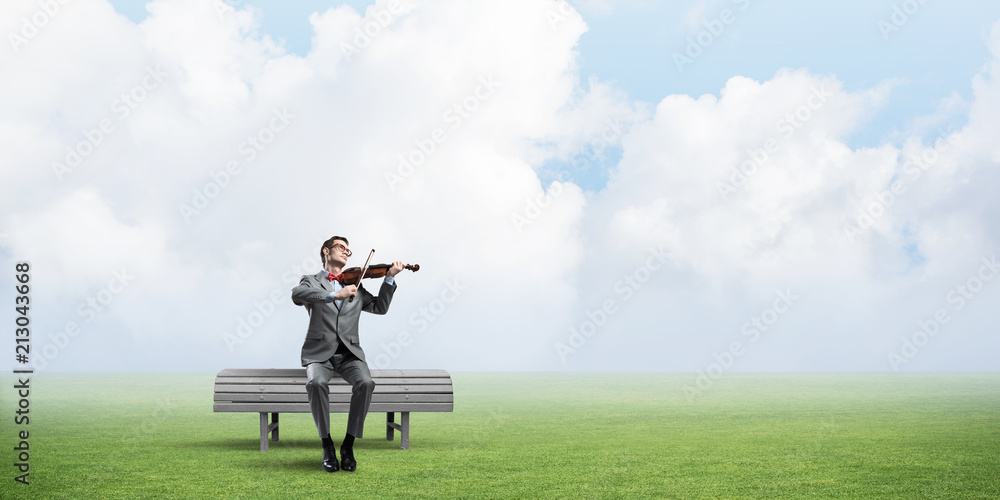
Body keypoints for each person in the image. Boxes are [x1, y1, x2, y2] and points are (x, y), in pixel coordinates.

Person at [291, 235, 403, 472]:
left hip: (350, 353)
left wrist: (389, 279)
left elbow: (380, 308)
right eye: (341, 247)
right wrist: (333, 295)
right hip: (319, 353)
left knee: (366, 382)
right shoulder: (311, 281)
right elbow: (297, 295)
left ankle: (348, 445)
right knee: (316, 383)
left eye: (348, 250)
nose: (346, 252)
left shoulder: (357, 286)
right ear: (325, 251)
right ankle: (327, 444)